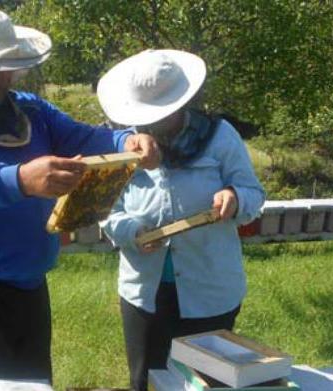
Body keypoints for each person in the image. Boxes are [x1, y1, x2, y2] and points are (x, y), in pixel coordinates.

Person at [0, 5, 160, 389]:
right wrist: (22, 179)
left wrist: (126, 139)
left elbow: (84, 136)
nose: (2, 78)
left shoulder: (31, 109)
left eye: (7, 66)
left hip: (28, 279)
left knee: (32, 384)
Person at [97, 49, 266, 391]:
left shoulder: (220, 136)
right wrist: (132, 231)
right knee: (147, 380)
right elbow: (105, 209)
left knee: (206, 381)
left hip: (210, 286)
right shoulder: (119, 142)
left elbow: (253, 193)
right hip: (144, 290)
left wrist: (235, 198)